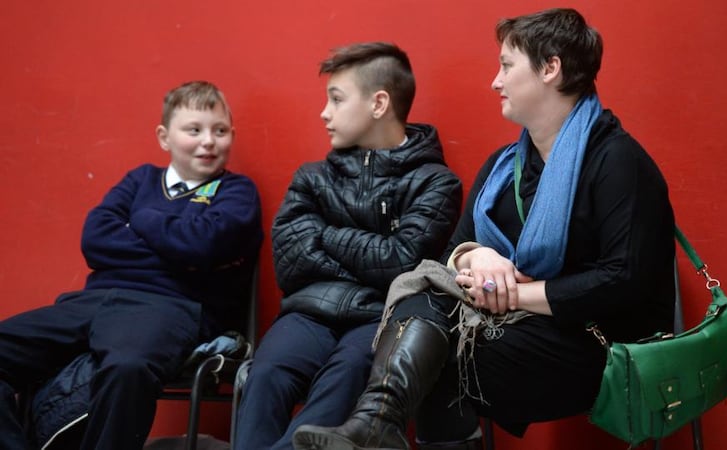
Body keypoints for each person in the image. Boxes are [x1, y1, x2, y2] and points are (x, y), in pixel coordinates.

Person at [293, 8, 675, 450]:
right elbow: (449, 256)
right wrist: (479, 255)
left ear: (550, 68)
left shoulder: (616, 160)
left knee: (444, 356)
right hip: (522, 328)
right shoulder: (503, 168)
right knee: (425, 293)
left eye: (507, 65)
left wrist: (515, 294)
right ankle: (377, 422)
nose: (496, 81)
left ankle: (376, 424)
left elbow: (623, 280)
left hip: (604, 345)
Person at [0, 80, 264, 450]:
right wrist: (177, 249)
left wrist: (141, 219)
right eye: (194, 130)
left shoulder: (236, 192)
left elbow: (202, 244)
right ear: (164, 137)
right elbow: (95, 239)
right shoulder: (139, 180)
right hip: (93, 301)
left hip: (169, 307)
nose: (208, 141)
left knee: (128, 368)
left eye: (220, 131)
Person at [232, 42, 462, 450]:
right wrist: (372, 250)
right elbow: (291, 262)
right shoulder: (312, 176)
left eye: (336, 99)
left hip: (377, 319)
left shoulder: (436, 183)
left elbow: (402, 262)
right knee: (266, 373)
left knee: (350, 372)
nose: (325, 112)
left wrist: (327, 234)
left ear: (378, 103)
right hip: (307, 314)